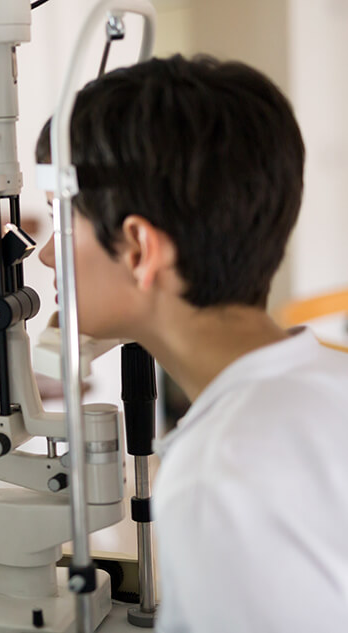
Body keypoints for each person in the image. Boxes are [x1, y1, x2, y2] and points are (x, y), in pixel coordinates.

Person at [35, 54, 348, 632]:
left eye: (62, 221)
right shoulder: (330, 383)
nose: (47, 254)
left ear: (138, 249)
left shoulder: (221, 477)